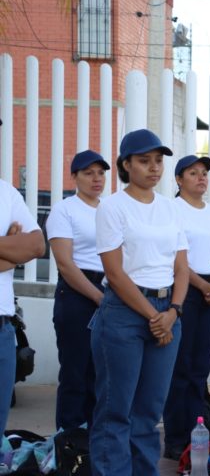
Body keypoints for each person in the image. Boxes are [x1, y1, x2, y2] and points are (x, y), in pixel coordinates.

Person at [90, 128, 188, 476]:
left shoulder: (170, 208)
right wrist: (154, 317)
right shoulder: (112, 207)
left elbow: (181, 266)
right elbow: (114, 274)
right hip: (125, 313)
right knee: (116, 410)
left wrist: (173, 312)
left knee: (148, 412)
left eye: (158, 161)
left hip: (166, 312)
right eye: (144, 161)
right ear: (126, 164)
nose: (154, 168)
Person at [162, 154, 210, 460]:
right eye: (193, 173)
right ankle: (175, 438)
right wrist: (203, 286)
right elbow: (178, 257)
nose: (201, 178)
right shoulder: (172, 210)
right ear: (178, 179)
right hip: (186, 288)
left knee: (200, 369)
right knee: (180, 368)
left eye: (204, 173)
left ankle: (196, 435)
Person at [45, 149, 110, 430]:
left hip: (110, 290)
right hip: (77, 293)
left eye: (101, 173)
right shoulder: (64, 210)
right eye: (88, 173)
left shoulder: (109, 209)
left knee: (100, 375)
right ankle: (70, 447)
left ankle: (94, 448)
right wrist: (98, 296)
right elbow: (65, 263)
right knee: (76, 374)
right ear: (74, 177)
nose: (96, 179)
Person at [0, 119, 45, 435]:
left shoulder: (6, 192)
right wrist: (9, 247)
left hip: (2, 327)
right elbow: (21, 247)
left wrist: (20, 246)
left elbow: (36, 244)